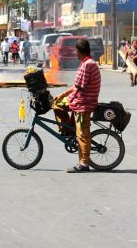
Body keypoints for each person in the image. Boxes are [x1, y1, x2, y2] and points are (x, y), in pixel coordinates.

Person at [51, 39, 101, 173]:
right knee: (56, 104)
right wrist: (62, 95)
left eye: (76, 52)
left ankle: (84, 163)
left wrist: (70, 99)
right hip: (81, 99)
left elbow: (80, 87)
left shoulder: (87, 65)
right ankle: (70, 130)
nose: (75, 54)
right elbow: (77, 86)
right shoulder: (87, 63)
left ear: (79, 52)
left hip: (84, 103)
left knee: (83, 134)